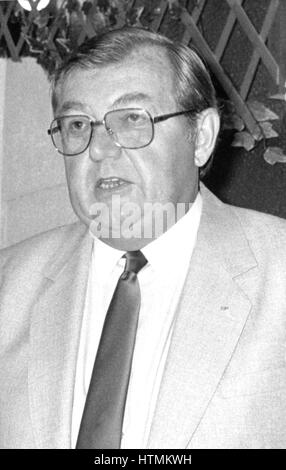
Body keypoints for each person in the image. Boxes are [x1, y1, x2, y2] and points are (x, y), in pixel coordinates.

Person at [1, 26, 286, 450]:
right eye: (78, 124)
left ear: (201, 137)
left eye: (132, 119)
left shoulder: (278, 273)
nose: (98, 149)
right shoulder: (8, 284)